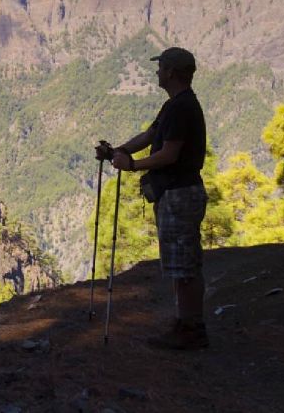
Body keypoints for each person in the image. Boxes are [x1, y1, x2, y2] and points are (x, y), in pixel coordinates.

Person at [96, 46, 209, 350]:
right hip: (181, 192)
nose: (157, 72)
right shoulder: (175, 106)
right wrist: (117, 152)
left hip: (179, 193)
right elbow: (149, 137)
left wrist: (131, 165)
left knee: (183, 266)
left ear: (171, 72)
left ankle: (190, 328)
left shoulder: (180, 108)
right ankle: (187, 322)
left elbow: (168, 155)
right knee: (182, 264)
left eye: (160, 68)